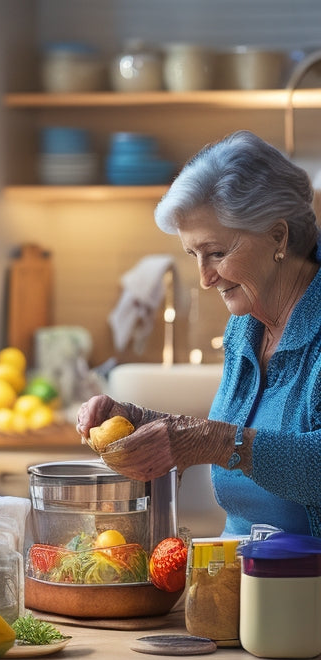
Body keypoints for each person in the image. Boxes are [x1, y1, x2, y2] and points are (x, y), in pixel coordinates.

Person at [76, 130, 321, 538]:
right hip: (240, 580)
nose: (205, 279)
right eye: (194, 256)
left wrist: (214, 442)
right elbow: (234, 438)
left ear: (278, 236)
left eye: (217, 253)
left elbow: (230, 443)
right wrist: (139, 422)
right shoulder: (247, 324)